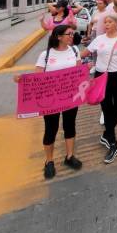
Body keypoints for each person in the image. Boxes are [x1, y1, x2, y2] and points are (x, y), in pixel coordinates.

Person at [30, 25, 83, 179]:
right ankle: (49, 160)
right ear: (58, 36)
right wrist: (21, 80)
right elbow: (37, 77)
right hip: (51, 100)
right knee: (51, 128)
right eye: (69, 34)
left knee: (69, 125)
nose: (71, 36)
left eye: (72, 34)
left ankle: (69, 156)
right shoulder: (45, 55)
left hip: (71, 97)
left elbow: (78, 73)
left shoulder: (74, 51)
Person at [81, 15, 117, 163]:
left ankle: (107, 134)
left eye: (110, 22)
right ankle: (113, 143)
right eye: (105, 23)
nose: (106, 25)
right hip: (101, 77)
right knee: (106, 107)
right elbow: (83, 54)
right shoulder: (99, 39)